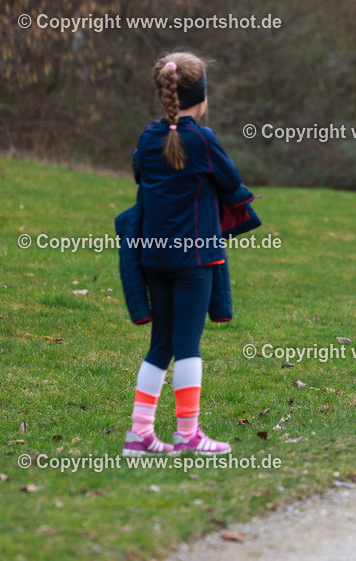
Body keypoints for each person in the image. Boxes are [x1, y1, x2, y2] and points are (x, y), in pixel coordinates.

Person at [122, 52, 246, 456]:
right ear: (202, 97)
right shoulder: (203, 141)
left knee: (161, 345)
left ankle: (140, 435)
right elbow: (231, 182)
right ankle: (188, 434)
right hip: (195, 260)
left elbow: (141, 175)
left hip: (154, 258)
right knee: (188, 345)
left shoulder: (146, 137)